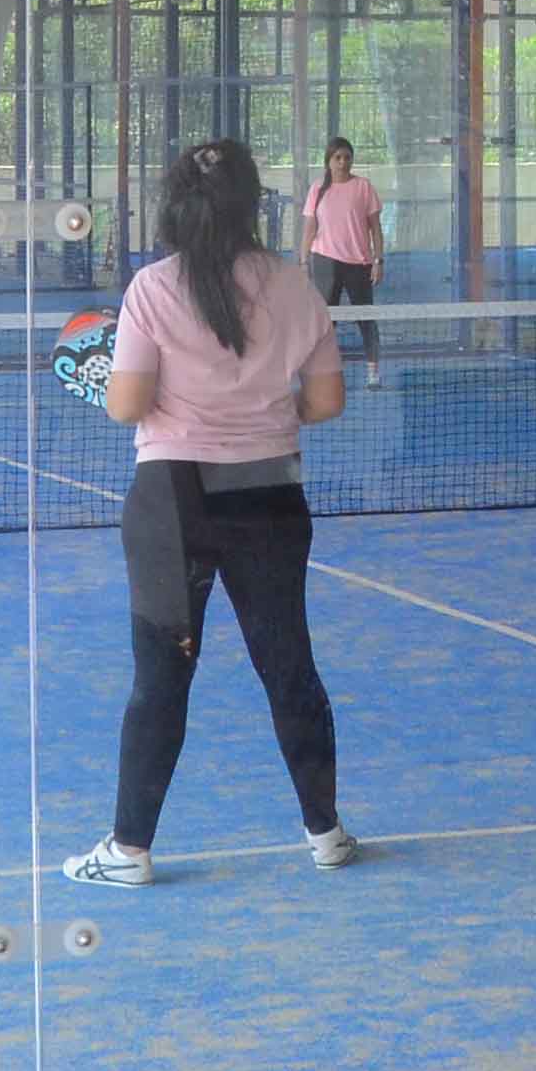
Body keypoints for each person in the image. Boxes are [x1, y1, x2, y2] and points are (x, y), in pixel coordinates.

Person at [65, 138, 357, 885]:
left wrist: (122, 387)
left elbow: (127, 404)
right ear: (254, 203)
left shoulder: (152, 289)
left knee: (161, 677)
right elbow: (325, 401)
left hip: (173, 500)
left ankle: (129, 851)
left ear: (173, 207)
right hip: (270, 493)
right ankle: (326, 834)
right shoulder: (297, 285)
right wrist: (257, 406)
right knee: (288, 666)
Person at [304, 135, 384, 368]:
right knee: (325, 322)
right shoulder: (317, 189)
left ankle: (373, 370)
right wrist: (302, 260)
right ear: (328, 160)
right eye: (337, 157)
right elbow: (309, 227)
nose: (342, 162)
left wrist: (378, 261)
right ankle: (321, 370)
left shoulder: (363, 187)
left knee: (366, 319)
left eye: (347, 158)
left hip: (358, 264)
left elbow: (376, 230)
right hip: (324, 262)